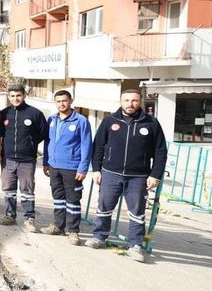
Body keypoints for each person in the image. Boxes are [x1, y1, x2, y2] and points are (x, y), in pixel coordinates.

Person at [88, 89, 167, 262]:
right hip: (110, 173)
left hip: (138, 176)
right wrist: (96, 169)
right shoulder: (109, 121)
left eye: (134, 101)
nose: (130, 104)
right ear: (120, 101)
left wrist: (155, 175)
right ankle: (99, 237)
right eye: (126, 100)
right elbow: (98, 146)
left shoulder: (151, 123)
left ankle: (135, 245)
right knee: (104, 207)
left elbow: (160, 152)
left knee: (137, 212)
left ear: (140, 102)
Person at [41, 90, 93, 245]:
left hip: (72, 167)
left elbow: (86, 145)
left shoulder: (81, 121)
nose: (61, 104)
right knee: (58, 198)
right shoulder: (51, 119)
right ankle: (58, 226)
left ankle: (73, 231)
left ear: (71, 101)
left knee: (73, 200)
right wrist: (45, 162)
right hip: (54, 165)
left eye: (64, 101)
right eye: (58, 101)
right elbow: (47, 142)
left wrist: (83, 168)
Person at [0, 84, 48, 231]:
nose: (15, 98)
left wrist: (30, 142)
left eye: (18, 95)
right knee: (9, 189)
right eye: (12, 96)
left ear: (24, 96)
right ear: (8, 96)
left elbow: (43, 133)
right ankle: (9, 215)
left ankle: (29, 219)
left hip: (27, 160)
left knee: (27, 190)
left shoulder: (35, 113)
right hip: (8, 159)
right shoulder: (4, 113)